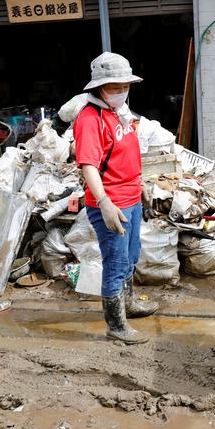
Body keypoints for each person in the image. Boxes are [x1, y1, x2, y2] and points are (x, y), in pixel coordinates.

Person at [74, 52, 158, 345]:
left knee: (131, 257)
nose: (121, 91)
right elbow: (88, 166)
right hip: (111, 202)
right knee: (116, 262)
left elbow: (127, 152)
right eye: (114, 86)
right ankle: (115, 324)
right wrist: (105, 203)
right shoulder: (89, 118)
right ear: (99, 88)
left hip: (131, 196)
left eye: (125, 85)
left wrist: (140, 183)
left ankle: (129, 304)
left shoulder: (119, 112)